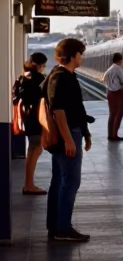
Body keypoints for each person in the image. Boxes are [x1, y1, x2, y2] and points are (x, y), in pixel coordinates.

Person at [46, 38, 92, 242]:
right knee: (70, 181)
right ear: (73, 55)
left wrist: (86, 133)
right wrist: (69, 140)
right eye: (81, 53)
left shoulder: (67, 76)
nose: (82, 57)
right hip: (66, 135)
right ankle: (62, 228)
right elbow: (58, 110)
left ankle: (56, 226)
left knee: (59, 181)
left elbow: (77, 109)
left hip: (73, 132)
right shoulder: (60, 77)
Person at [13, 52, 47, 194]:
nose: (44, 68)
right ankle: (29, 185)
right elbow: (42, 98)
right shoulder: (37, 78)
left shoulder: (23, 76)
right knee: (37, 148)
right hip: (35, 116)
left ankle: (29, 183)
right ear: (39, 65)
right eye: (44, 65)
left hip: (27, 115)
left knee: (32, 149)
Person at [104, 52, 123, 141]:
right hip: (118, 93)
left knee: (112, 114)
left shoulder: (110, 69)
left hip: (110, 93)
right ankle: (114, 135)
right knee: (119, 114)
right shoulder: (118, 69)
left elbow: (104, 78)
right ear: (120, 60)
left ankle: (110, 135)